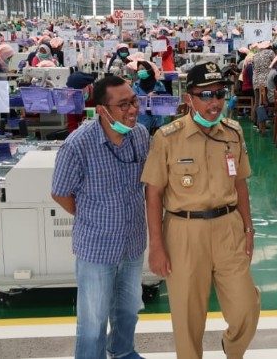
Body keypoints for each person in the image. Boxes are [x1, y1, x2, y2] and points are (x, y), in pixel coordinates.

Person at [142, 61, 260, 359]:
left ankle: (232, 349)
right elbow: (153, 193)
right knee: (187, 316)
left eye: (219, 94)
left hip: (228, 228)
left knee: (247, 306)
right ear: (189, 98)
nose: (215, 102)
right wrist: (156, 245)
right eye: (206, 95)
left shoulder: (233, 132)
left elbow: (241, 184)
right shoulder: (167, 137)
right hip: (184, 231)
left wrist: (248, 228)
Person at [51, 75, 149, 359]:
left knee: (129, 309)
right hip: (96, 249)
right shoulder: (78, 145)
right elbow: (60, 192)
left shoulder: (140, 135)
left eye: (133, 102)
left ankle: (122, 350)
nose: (132, 110)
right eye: (123, 105)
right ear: (102, 110)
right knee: (93, 322)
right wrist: (93, 217)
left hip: (132, 243)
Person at [131, 60, 169, 133]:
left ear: (149, 70)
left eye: (142, 69)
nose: (140, 72)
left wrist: (157, 94)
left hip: (158, 122)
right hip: (143, 124)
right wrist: (147, 98)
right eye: (138, 70)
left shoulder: (159, 84)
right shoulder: (136, 86)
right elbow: (135, 103)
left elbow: (165, 101)